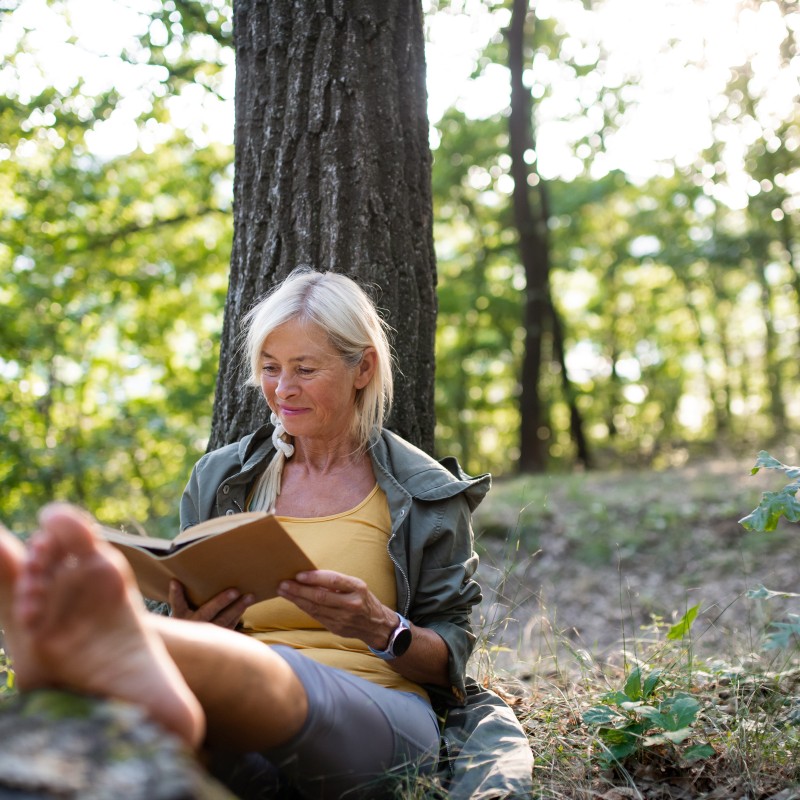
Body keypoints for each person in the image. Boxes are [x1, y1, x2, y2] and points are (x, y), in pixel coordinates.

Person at [0, 269, 492, 799]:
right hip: (237, 717)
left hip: (381, 718)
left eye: (305, 369)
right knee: (112, 761)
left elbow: (449, 658)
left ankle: (105, 644)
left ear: (363, 368)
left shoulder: (426, 493)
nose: (283, 389)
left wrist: (381, 627)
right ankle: (141, 676)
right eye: (271, 368)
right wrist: (190, 623)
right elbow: (179, 590)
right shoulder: (221, 477)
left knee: (279, 671)